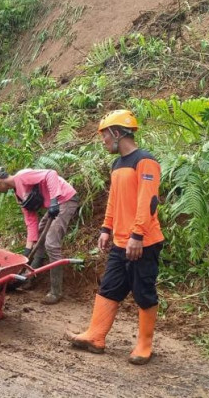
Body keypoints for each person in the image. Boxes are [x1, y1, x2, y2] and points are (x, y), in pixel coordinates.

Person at [65, 110, 164, 365]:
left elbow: (148, 202)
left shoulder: (145, 162)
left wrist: (137, 234)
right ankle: (96, 336)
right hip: (121, 241)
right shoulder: (117, 164)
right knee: (109, 288)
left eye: (105, 135)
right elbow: (114, 200)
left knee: (143, 291)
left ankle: (144, 345)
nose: (103, 141)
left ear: (118, 133)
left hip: (143, 242)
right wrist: (105, 228)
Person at [0, 166, 79, 304]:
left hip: (66, 199)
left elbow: (50, 174)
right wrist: (26, 254)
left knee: (51, 243)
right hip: (56, 204)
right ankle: (30, 279)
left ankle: (56, 292)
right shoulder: (19, 195)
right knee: (40, 235)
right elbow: (31, 222)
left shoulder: (22, 176)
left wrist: (53, 201)